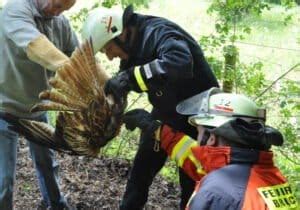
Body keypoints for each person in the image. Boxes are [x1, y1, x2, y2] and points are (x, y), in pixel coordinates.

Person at [81, 5, 219, 209]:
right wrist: (112, 109)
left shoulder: (158, 33)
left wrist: (129, 79)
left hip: (198, 118)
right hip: (166, 112)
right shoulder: (132, 46)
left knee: (191, 185)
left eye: (108, 48)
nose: (110, 56)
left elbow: (179, 63)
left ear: (121, 34)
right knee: (139, 174)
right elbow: (127, 80)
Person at [122, 87, 299, 210]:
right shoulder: (271, 178)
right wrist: (155, 129)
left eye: (197, 132)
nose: (196, 140)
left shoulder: (216, 192)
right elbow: (196, 160)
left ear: (212, 138)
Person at [0, 0, 79, 209]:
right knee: (3, 179)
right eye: (57, 5)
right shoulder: (15, 9)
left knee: (47, 165)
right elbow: (37, 48)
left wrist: (105, 85)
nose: (58, 12)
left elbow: (80, 58)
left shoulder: (60, 22)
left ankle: (56, 205)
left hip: (37, 108)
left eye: (64, 9)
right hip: (3, 108)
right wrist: (76, 73)